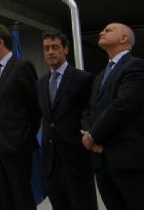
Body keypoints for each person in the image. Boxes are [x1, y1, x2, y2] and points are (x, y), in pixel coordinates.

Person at [81, 22, 144, 210]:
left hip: (128, 160)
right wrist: (87, 131)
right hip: (102, 161)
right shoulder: (100, 76)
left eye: (108, 30)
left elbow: (122, 106)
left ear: (124, 38)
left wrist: (93, 136)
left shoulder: (135, 66)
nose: (102, 32)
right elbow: (90, 109)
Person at [0, 24, 41, 210]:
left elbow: (35, 108)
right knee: (3, 199)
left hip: (16, 148)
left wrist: (23, 139)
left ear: (0, 43)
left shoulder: (22, 67)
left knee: (21, 197)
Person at [37, 32, 96, 210]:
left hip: (75, 159)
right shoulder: (42, 82)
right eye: (46, 48)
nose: (50, 52)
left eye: (55, 47)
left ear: (66, 49)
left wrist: (88, 134)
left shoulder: (82, 78)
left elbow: (89, 112)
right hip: (51, 162)